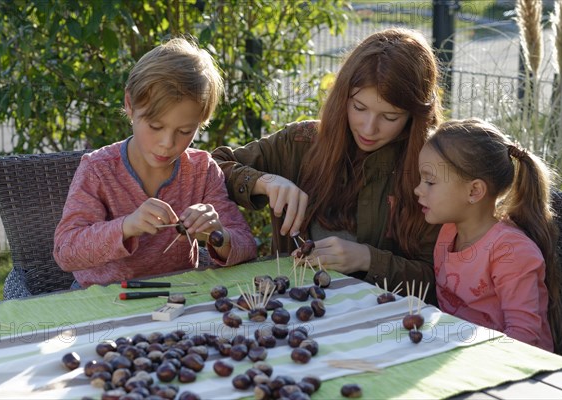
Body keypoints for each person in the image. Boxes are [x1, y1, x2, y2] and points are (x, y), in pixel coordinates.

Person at [212, 28, 442, 303]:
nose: (369, 128)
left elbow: (438, 281)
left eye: (390, 117)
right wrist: (264, 182)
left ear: (414, 116)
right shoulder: (301, 142)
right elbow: (210, 168)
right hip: (294, 314)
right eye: (359, 108)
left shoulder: (429, 168)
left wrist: (368, 259)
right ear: (342, 97)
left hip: (386, 328)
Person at [54, 37, 257, 288]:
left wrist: (217, 234)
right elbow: (66, 251)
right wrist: (126, 226)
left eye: (184, 131)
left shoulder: (201, 170)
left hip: (177, 298)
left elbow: (246, 245)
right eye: (155, 126)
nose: (166, 143)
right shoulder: (99, 170)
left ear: (201, 122)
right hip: (104, 300)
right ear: (130, 105)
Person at [414, 118, 562, 353]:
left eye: (430, 181)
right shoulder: (448, 233)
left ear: (474, 191)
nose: (418, 189)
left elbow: (524, 337)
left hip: (517, 370)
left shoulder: (511, 251)